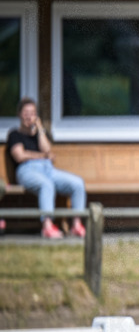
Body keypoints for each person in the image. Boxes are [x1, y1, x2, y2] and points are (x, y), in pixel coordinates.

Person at [5, 97, 87, 239]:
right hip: (27, 170)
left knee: (77, 183)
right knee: (46, 185)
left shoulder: (39, 134)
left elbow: (47, 150)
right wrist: (43, 156)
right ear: (19, 115)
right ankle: (47, 227)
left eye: (33, 113)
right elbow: (20, 156)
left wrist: (40, 129)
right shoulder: (14, 134)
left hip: (48, 170)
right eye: (26, 113)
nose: (29, 117)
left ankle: (76, 224)